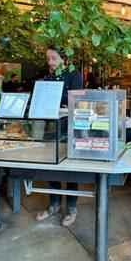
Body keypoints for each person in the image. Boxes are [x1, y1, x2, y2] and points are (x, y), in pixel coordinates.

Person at [35, 45, 82, 227]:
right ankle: (54, 203)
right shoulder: (49, 76)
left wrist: (53, 95)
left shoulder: (74, 74)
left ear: (64, 58)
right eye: (48, 59)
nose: (50, 62)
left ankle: (71, 206)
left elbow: (76, 97)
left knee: (70, 166)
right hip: (52, 125)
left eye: (53, 58)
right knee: (52, 163)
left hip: (70, 125)